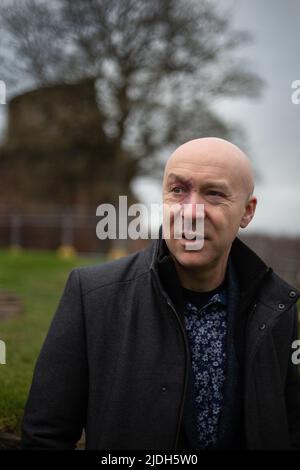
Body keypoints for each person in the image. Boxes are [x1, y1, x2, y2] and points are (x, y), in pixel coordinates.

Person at [21, 137, 300, 450]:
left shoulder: (277, 306)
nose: (191, 211)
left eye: (214, 193)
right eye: (178, 190)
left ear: (247, 212)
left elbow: (290, 427)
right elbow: (45, 437)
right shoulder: (93, 297)